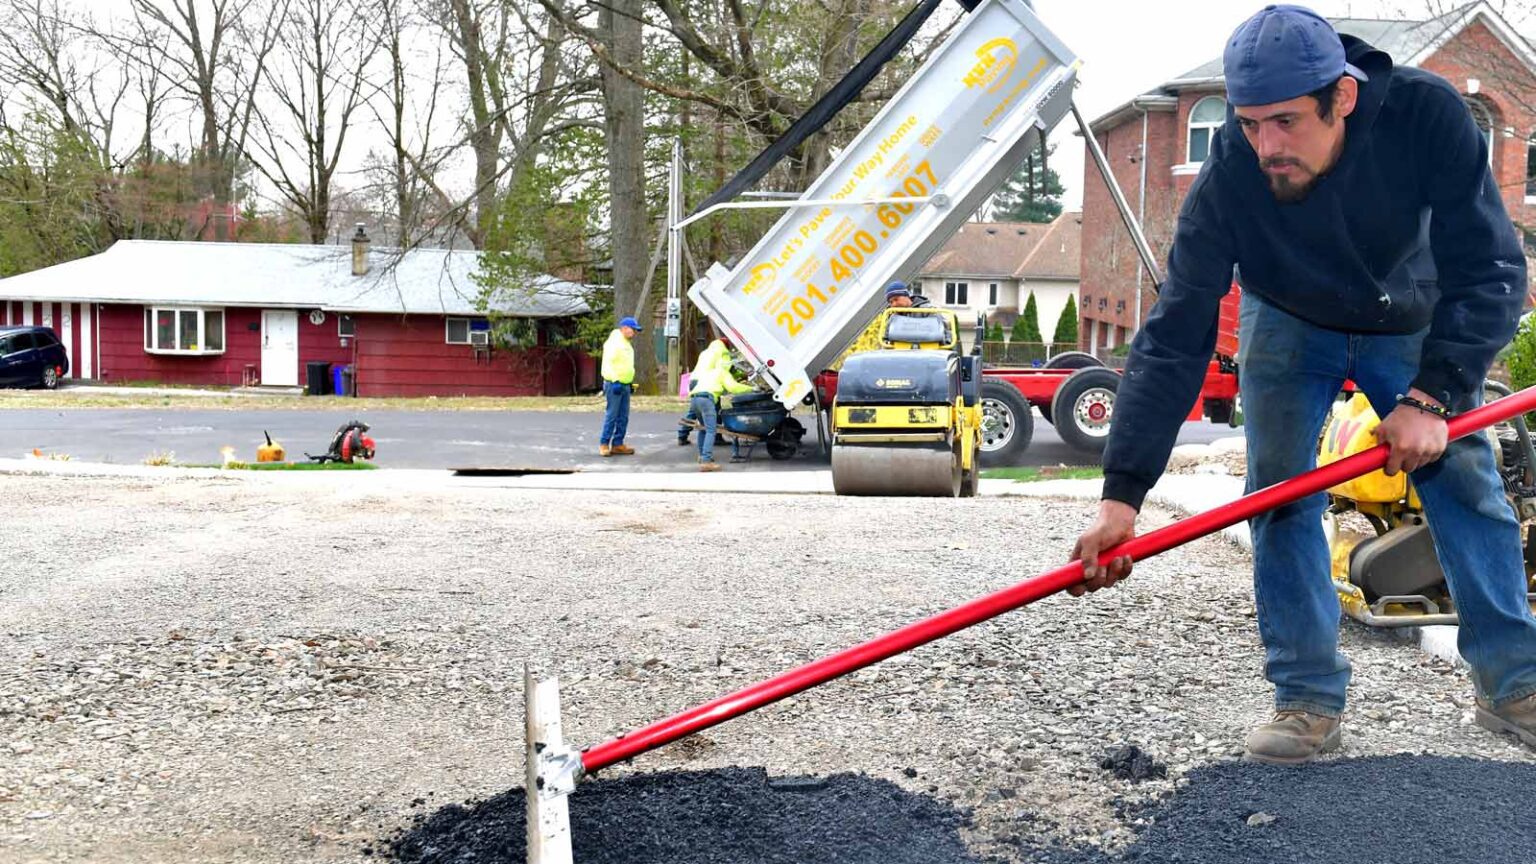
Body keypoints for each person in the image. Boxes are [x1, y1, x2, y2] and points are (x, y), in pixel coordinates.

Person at [1070, 4, 1536, 764]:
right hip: (1287, 315)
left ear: (1342, 97)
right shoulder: (1231, 170)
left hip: (1405, 311)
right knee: (1280, 492)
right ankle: (1307, 699)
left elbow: (1489, 267)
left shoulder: (1426, 115)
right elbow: (1176, 330)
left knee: (1466, 479)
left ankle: (1515, 685)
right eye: (1250, 125)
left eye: (1285, 122)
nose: (1266, 146)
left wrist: (1431, 396)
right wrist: (1123, 494)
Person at [680, 335, 754, 471]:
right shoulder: (723, 368)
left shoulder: (707, 362)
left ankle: (702, 455)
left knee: (703, 427)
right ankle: (706, 461)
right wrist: (752, 388)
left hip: (695, 397)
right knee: (711, 429)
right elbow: (734, 388)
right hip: (706, 399)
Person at [599, 316, 641, 457]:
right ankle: (604, 444)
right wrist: (615, 379)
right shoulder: (614, 343)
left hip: (625, 384)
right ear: (624, 328)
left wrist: (629, 382)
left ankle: (618, 444)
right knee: (612, 415)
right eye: (632, 330)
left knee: (623, 416)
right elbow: (608, 363)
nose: (634, 333)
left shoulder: (626, 343)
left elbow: (625, 364)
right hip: (614, 384)